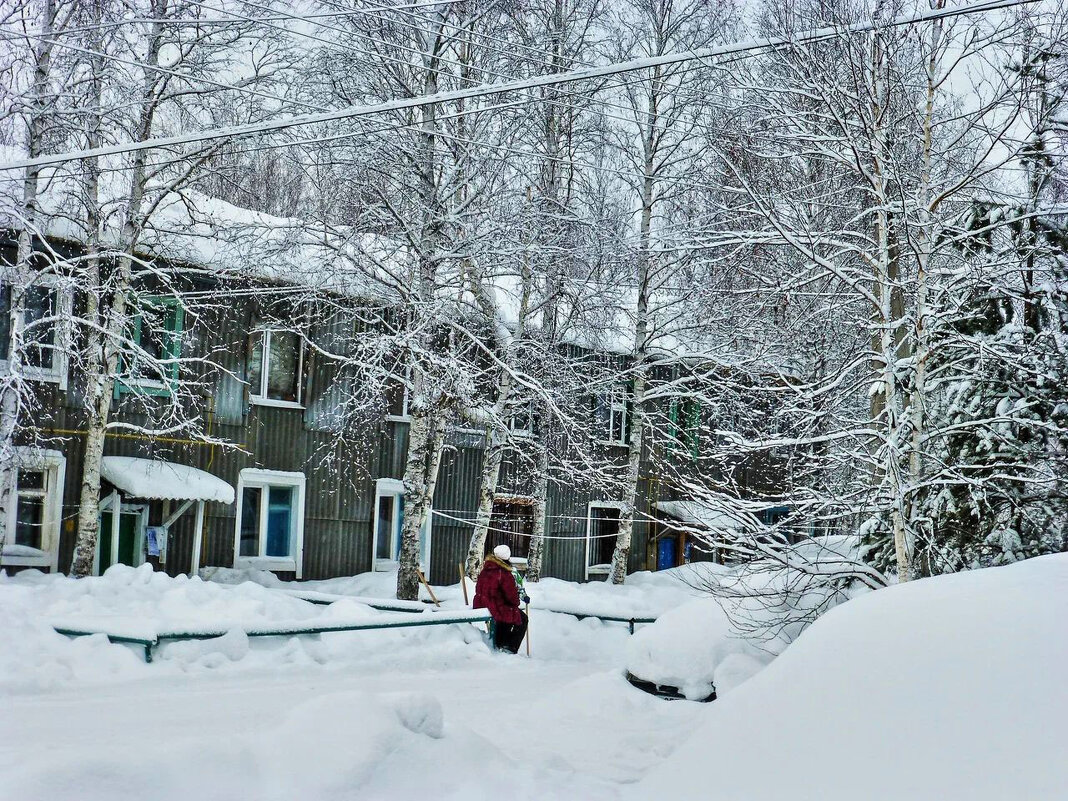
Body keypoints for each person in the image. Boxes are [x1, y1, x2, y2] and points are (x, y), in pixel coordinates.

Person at [473, 544, 529, 654]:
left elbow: (479, 589)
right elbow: (512, 596)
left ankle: (500, 643)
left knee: (506, 617)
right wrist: (516, 602)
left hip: (483, 603)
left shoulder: (486, 569)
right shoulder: (504, 573)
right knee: (522, 619)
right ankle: (508, 647)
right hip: (497, 606)